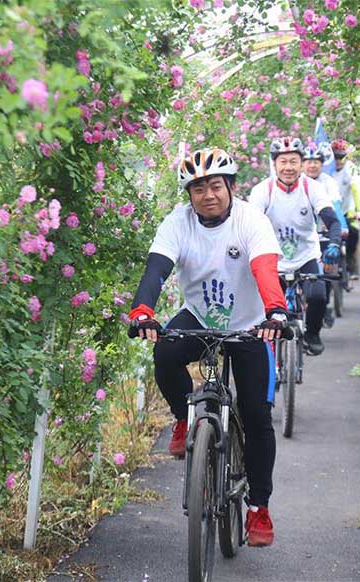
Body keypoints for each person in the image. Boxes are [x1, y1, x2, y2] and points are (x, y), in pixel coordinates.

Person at [127, 147, 290, 547]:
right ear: (189, 195)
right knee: (165, 351)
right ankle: (184, 419)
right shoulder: (178, 223)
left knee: (257, 416)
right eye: (198, 189)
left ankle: (259, 508)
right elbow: (156, 269)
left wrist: (275, 313)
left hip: (252, 325)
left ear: (231, 187)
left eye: (215, 186)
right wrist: (143, 311)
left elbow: (264, 268)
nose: (208, 195)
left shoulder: (251, 220)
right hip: (200, 317)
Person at [248, 136, 343, 356]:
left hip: (306, 257)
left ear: (301, 164)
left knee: (318, 296)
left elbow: (332, 221)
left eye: (293, 161)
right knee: (265, 310)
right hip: (273, 260)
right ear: (274, 164)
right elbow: (249, 227)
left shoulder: (313, 188)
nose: (288, 167)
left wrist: (335, 244)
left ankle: (312, 334)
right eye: (283, 162)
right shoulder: (262, 191)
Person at [303, 143, 349, 327]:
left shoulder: (328, 183)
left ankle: (324, 305)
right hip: (299, 240)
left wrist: (341, 228)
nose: (312, 165)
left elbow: (335, 208)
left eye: (316, 162)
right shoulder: (294, 183)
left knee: (326, 272)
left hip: (323, 233)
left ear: (322, 164)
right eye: (309, 162)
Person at [331, 139, 360, 280]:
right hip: (331, 210)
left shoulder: (351, 170)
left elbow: (356, 191)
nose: (338, 161)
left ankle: (352, 266)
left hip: (349, 209)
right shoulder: (327, 170)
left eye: (341, 157)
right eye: (335, 157)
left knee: (353, 233)